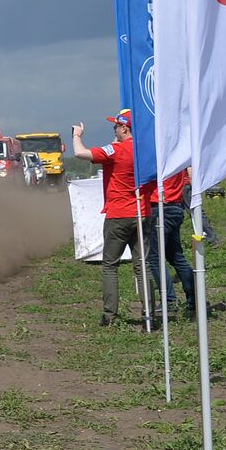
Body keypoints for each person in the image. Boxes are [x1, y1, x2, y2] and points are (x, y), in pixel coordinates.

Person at [72, 110, 153, 327]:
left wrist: (77, 135)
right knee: (142, 265)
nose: (114, 130)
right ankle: (149, 314)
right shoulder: (145, 150)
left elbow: (81, 154)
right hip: (142, 212)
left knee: (110, 265)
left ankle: (109, 315)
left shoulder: (115, 150)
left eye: (115, 127)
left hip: (118, 214)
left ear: (124, 128)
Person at [148, 168, 198, 319]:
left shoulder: (158, 159)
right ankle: (194, 298)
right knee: (176, 256)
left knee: (155, 259)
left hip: (159, 206)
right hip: (176, 206)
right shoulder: (177, 158)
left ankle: (169, 300)